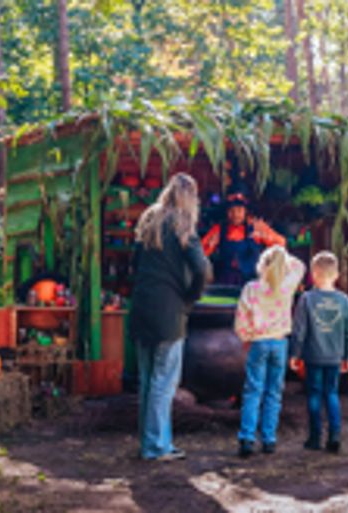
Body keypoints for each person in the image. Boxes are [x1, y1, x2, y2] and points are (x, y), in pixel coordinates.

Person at [129, 173, 210, 462]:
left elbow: (134, 265)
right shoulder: (184, 225)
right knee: (163, 383)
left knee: (149, 380)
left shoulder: (149, 220)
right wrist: (190, 297)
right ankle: (155, 447)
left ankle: (155, 442)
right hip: (169, 314)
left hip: (141, 309)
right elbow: (202, 269)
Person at [234, 245, 306, 457]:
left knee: (253, 390)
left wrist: (246, 337)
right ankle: (269, 439)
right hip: (279, 343)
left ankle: (247, 438)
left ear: (261, 265)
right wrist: (280, 255)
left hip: (258, 343)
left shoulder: (251, 288)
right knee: (274, 392)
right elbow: (300, 265)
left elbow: (241, 318)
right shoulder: (286, 287)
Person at [289, 251, 348, 454]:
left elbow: (299, 330)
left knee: (315, 394)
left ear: (314, 274)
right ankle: (335, 435)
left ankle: (315, 438)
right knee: (332, 393)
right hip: (335, 356)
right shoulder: (344, 301)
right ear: (335, 275)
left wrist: (295, 353)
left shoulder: (307, 299)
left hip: (313, 356)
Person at [202, 190, 286, 287]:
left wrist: (266, 236)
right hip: (226, 283)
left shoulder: (256, 227)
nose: (235, 214)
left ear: (246, 211)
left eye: (239, 210)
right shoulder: (219, 229)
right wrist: (211, 244)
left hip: (252, 284)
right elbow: (200, 252)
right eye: (231, 210)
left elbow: (281, 243)